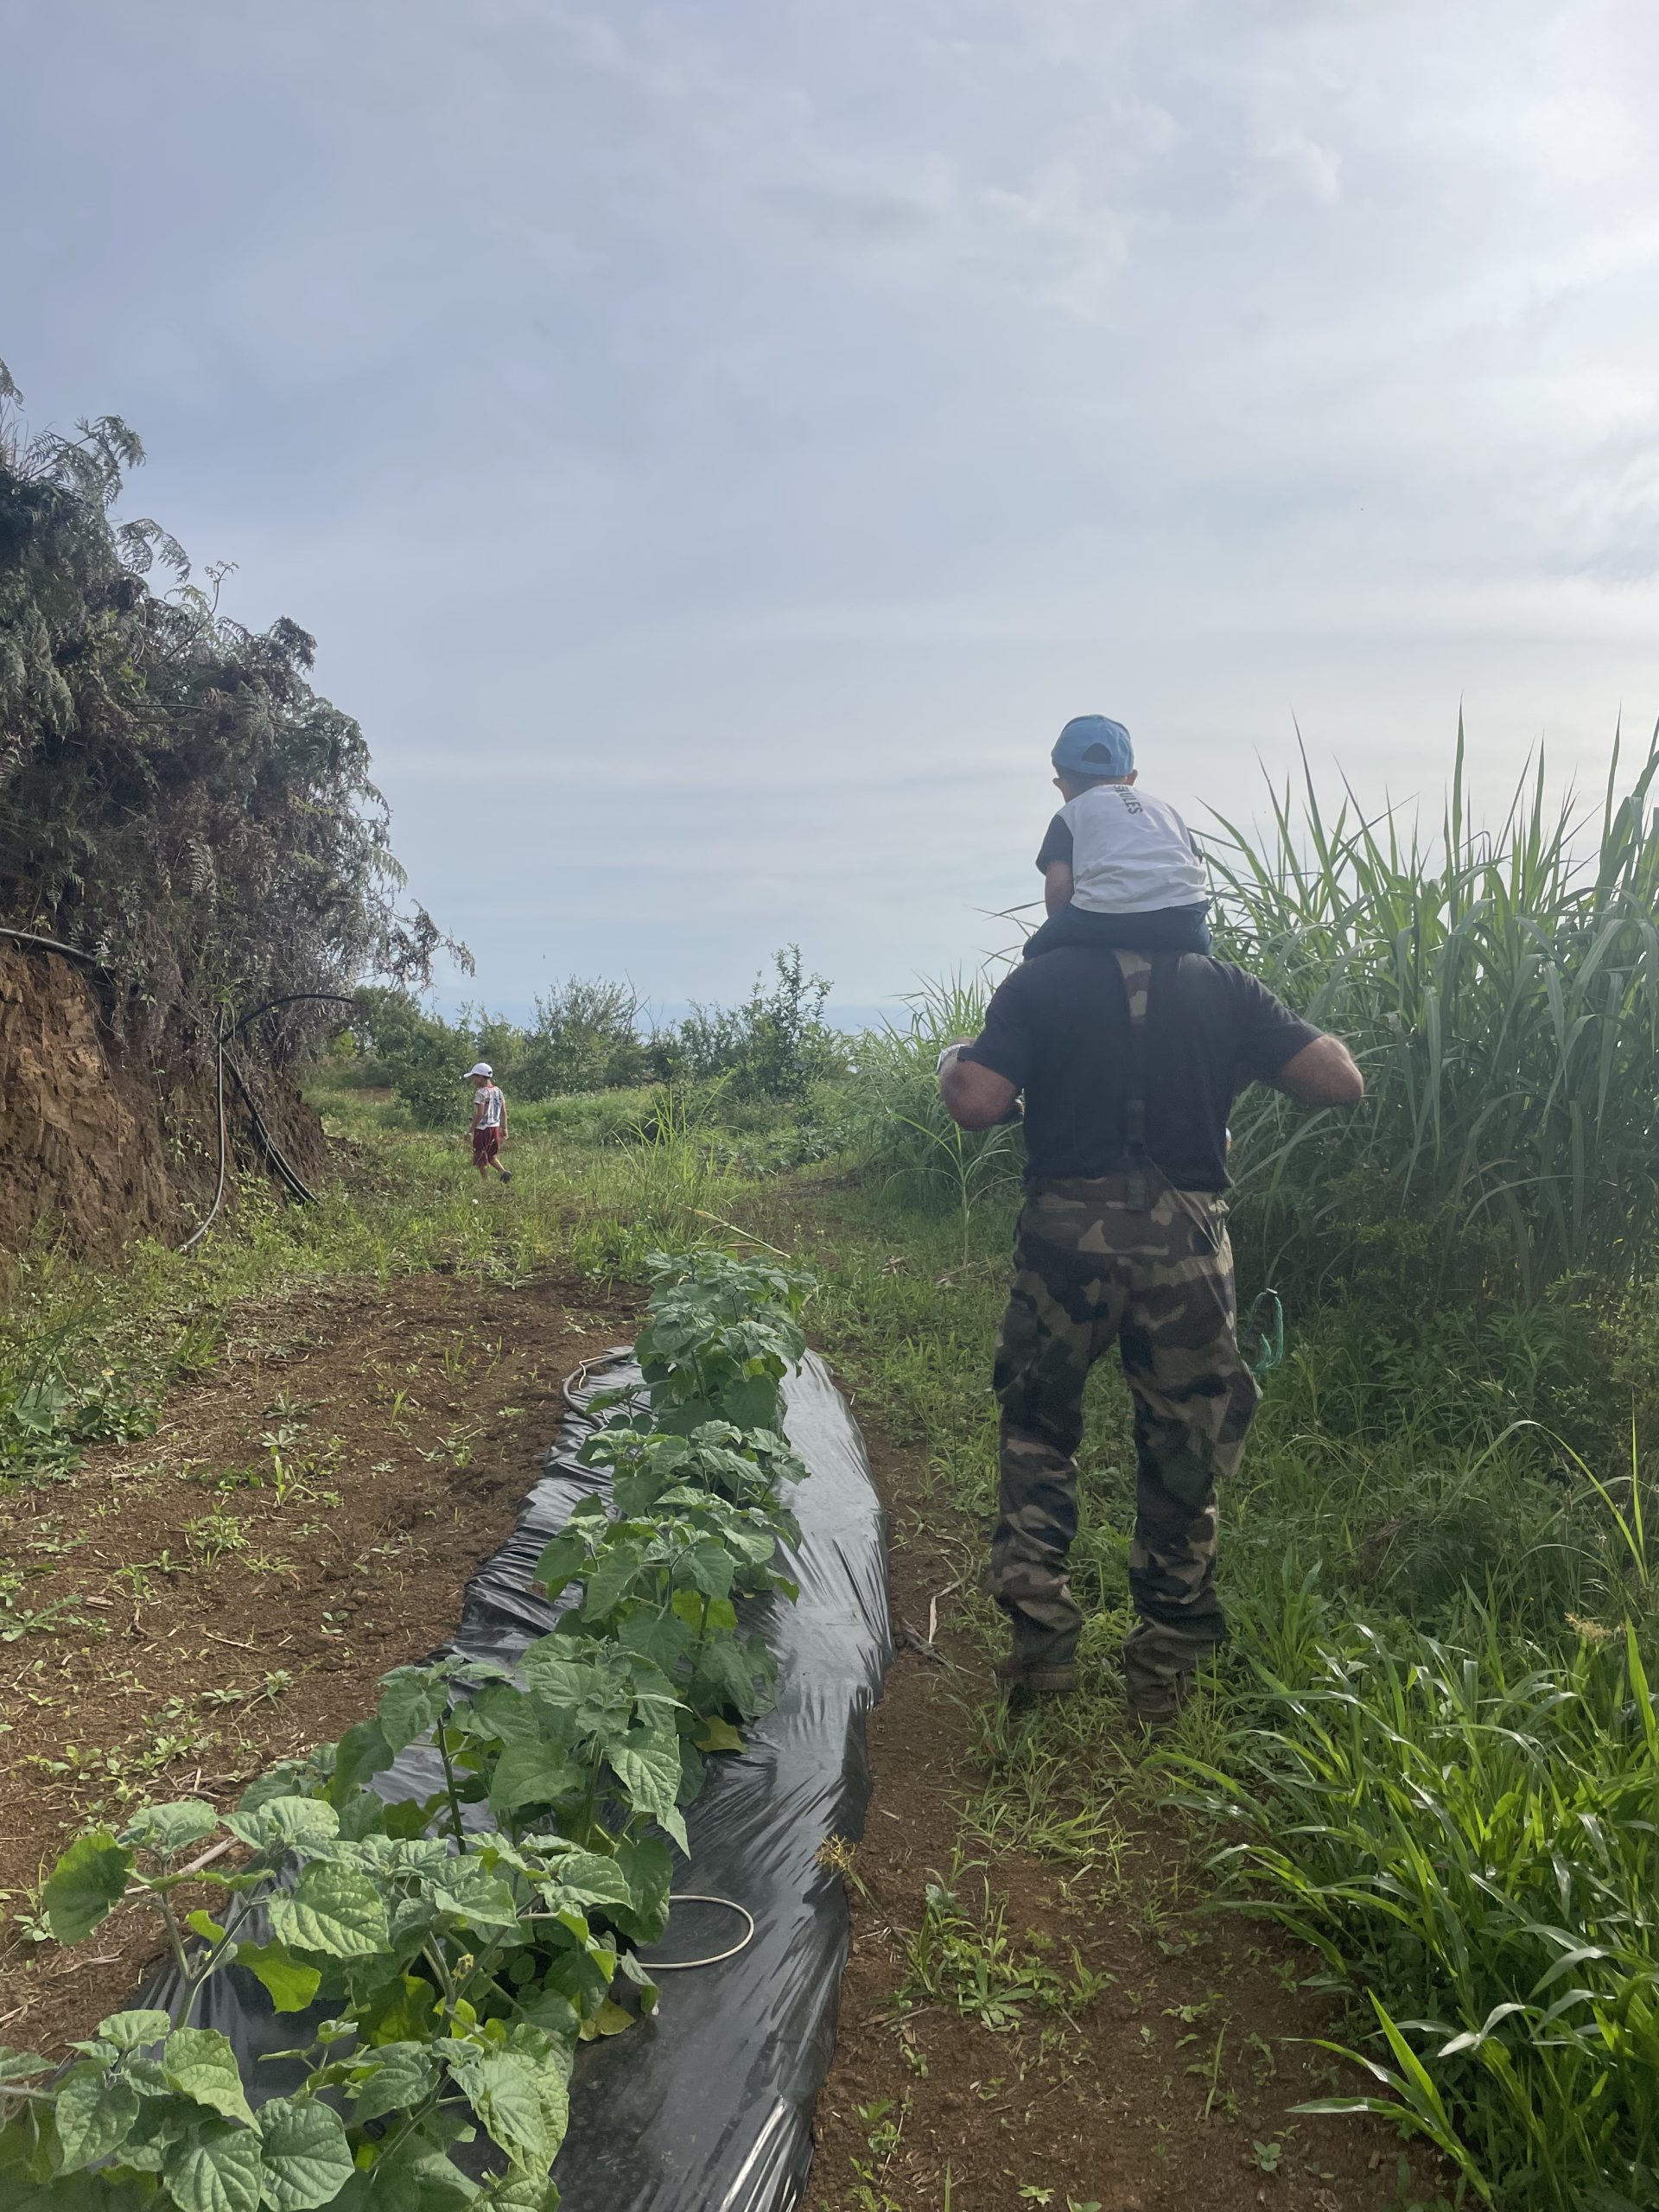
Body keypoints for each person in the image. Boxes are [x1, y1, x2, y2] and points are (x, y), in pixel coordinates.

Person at [937, 942, 1363, 1727]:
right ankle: (1164, 1675)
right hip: (1187, 1244)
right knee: (1184, 1443)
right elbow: (1339, 1080)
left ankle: (1042, 1651)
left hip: (1065, 1237)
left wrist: (953, 1060)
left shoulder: (1043, 980)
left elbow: (976, 1100)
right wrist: (1236, 1061)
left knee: (1037, 1428)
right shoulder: (1222, 985)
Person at [1023, 713, 1213, 959]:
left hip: (1104, 918)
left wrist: (1059, 929)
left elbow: (1059, 885)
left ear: (1061, 784)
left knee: (1036, 951)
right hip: (1183, 920)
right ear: (1131, 778)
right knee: (1205, 954)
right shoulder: (1165, 810)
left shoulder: (1071, 813)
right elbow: (1193, 864)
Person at [464, 1061, 512, 1184]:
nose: (473, 1081)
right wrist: (504, 1128)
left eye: (474, 1077)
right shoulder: (498, 1091)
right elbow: (503, 1112)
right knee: (491, 1155)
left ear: (480, 1077)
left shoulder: (481, 1093)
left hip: (483, 1129)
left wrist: (471, 1131)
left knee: (481, 1157)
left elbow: (479, 1114)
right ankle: (503, 1172)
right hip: (495, 1128)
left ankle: (486, 1182)